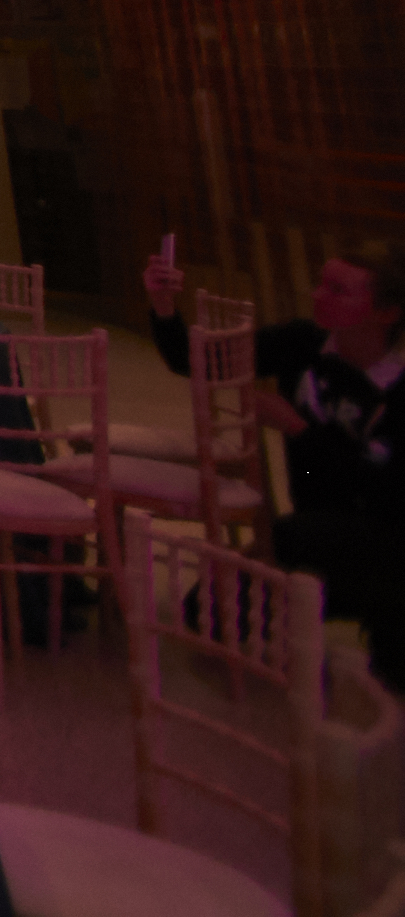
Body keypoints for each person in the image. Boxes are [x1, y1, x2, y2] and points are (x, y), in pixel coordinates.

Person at [143, 238, 405, 683]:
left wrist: (298, 428)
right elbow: (198, 359)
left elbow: (381, 492)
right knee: (206, 614)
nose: (317, 295)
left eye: (338, 290)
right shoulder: (303, 343)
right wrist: (165, 306)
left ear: (386, 312)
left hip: (386, 540)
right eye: (322, 283)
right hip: (310, 530)